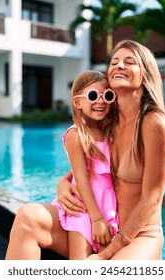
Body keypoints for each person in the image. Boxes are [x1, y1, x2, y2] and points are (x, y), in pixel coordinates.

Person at [5, 40, 165, 260]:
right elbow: (85, 169)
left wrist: (106, 253)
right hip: (97, 227)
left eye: (129, 62)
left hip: (138, 236)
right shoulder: (107, 121)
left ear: (145, 76)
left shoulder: (154, 123)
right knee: (27, 217)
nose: (119, 66)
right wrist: (62, 185)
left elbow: (152, 199)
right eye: (114, 62)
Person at [51, 70, 119, 259]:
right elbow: (80, 177)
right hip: (83, 207)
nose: (101, 101)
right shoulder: (76, 135)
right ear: (77, 101)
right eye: (92, 96)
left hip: (107, 205)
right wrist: (96, 218)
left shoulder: (109, 132)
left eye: (107, 96)